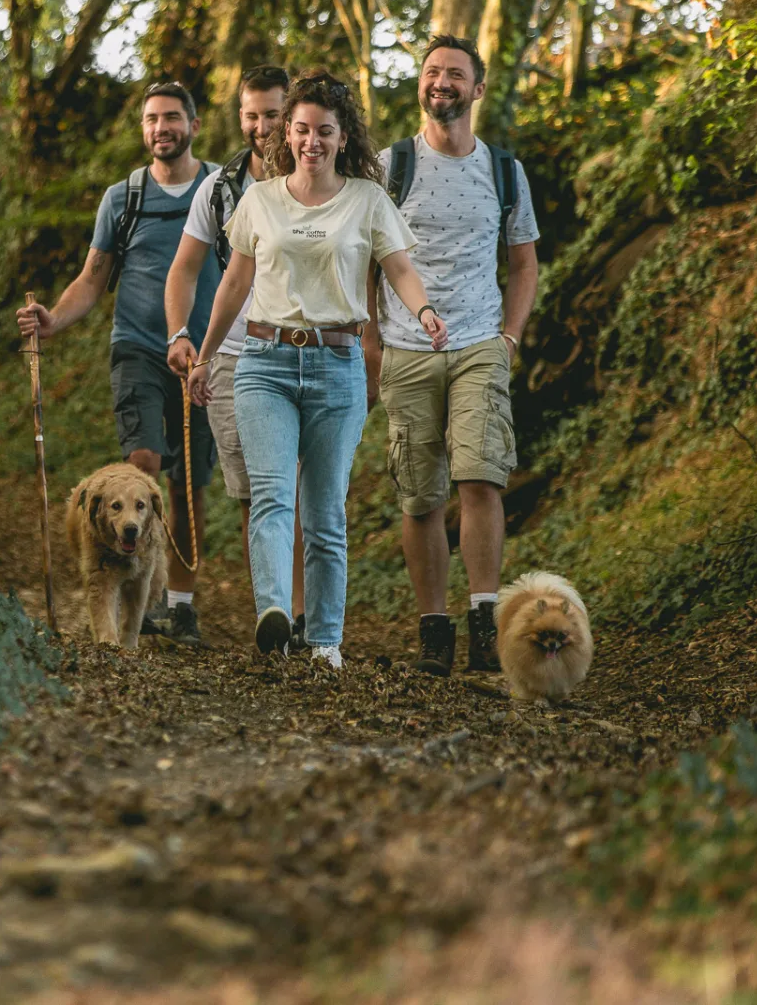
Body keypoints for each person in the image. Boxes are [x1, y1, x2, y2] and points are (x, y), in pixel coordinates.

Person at [189, 70, 448, 668]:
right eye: (301, 130)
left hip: (336, 365)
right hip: (264, 362)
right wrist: (203, 356)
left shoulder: (367, 199)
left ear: (342, 137)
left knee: (326, 510)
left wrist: (424, 310)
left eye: (323, 132)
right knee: (273, 497)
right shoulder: (260, 200)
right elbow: (233, 283)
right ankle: (274, 616)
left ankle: (325, 640)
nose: (311, 141)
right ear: (288, 135)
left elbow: (400, 269)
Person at [16, 81, 219, 647]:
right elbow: (93, 277)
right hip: (136, 347)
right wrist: (54, 319)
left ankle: (177, 603)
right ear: (144, 129)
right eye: (152, 119)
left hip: (206, 353)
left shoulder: (220, 191)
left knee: (190, 486)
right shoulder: (124, 198)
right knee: (144, 462)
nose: (162, 128)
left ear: (193, 125)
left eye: (173, 118)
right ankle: (132, 582)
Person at [367, 35, 540, 677]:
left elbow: (524, 264)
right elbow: (366, 258)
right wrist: (370, 339)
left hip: (478, 345)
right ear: (420, 84)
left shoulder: (502, 170)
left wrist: (510, 337)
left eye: (455, 74)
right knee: (419, 496)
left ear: (477, 90)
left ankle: (484, 621)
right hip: (407, 351)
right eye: (432, 71)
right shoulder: (389, 166)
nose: (441, 82)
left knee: (481, 478)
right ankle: (433, 626)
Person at [164, 66, 311, 648]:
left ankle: (304, 618)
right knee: (256, 493)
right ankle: (273, 613)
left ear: (292, 113)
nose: (260, 127)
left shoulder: (320, 177)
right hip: (232, 356)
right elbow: (184, 269)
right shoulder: (220, 188)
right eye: (251, 115)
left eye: (272, 114)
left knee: (297, 487)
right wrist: (182, 334)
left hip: (304, 348)